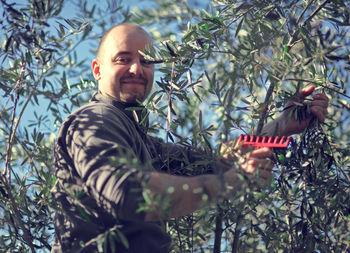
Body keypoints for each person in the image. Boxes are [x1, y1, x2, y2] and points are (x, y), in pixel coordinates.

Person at [51, 23, 329, 253]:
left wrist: (281, 125)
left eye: (146, 60)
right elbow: (127, 193)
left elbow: (216, 162)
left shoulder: (143, 142)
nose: (137, 69)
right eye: (123, 59)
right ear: (98, 70)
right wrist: (227, 184)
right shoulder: (97, 118)